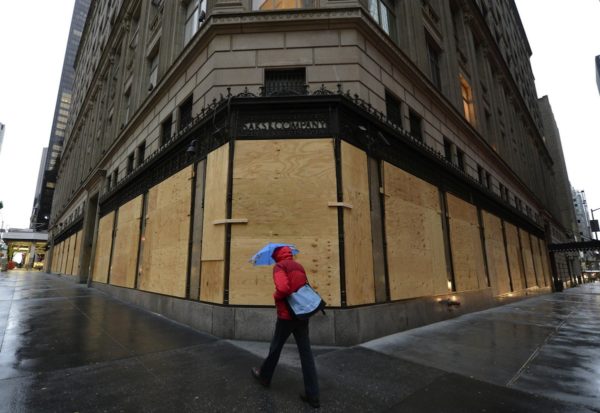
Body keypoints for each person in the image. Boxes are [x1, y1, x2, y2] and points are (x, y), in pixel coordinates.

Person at [251, 246, 320, 408]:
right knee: (306, 354)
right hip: (302, 314)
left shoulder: (279, 267)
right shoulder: (299, 266)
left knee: (275, 348)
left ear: (276, 256)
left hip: (286, 316)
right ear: (289, 253)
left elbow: (283, 288)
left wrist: (275, 296)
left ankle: (264, 377)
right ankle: (313, 395)